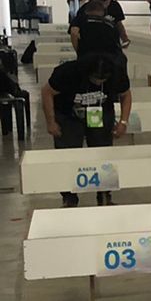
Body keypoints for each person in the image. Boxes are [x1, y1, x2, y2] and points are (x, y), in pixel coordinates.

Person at [43, 52, 131, 207]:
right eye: (96, 78)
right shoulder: (67, 72)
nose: (99, 81)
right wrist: (51, 122)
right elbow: (47, 92)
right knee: (67, 153)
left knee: (103, 151)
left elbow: (126, 95)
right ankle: (69, 196)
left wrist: (123, 121)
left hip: (100, 113)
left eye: (103, 79)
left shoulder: (117, 73)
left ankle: (104, 193)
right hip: (68, 114)